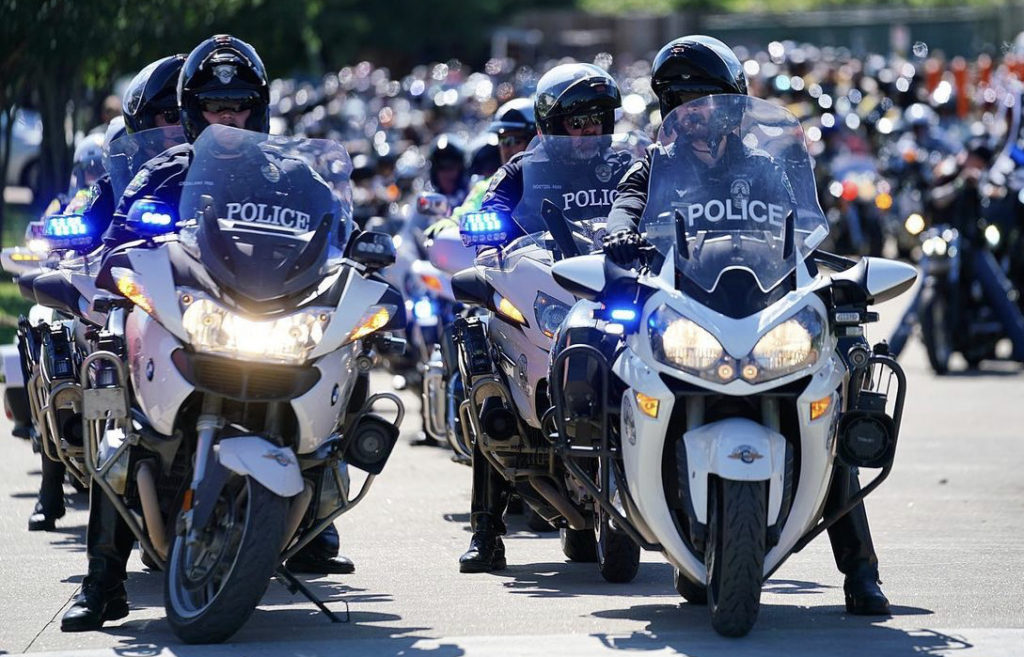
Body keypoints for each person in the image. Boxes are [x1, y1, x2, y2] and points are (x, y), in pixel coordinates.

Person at [61, 35, 351, 634]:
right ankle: (102, 581)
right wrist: (118, 256)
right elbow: (119, 239)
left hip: (268, 317)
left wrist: (361, 250)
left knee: (347, 354)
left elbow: (337, 234)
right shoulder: (166, 170)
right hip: (190, 317)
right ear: (193, 109)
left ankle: (319, 512)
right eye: (215, 103)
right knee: (110, 383)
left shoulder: (293, 174)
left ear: (259, 107)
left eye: (240, 102)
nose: (228, 114)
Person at [598, 35, 891, 617]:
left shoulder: (764, 169)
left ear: (733, 103)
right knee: (608, 358)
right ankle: (613, 491)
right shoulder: (651, 168)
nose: (694, 111)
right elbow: (621, 220)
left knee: (834, 382)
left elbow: (805, 232)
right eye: (680, 99)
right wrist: (617, 239)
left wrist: (837, 273)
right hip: (685, 314)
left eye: (704, 98)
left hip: (761, 310)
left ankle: (861, 570)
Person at [458, 62, 630, 574]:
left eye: (597, 119)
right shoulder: (521, 170)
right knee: (480, 344)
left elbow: (661, 211)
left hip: (607, 296)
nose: (588, 131)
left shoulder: (625, 168)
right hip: (544, 293)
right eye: (577, 121)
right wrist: (483, 228)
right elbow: (484, 214)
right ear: (551, 125)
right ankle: (487, 531)